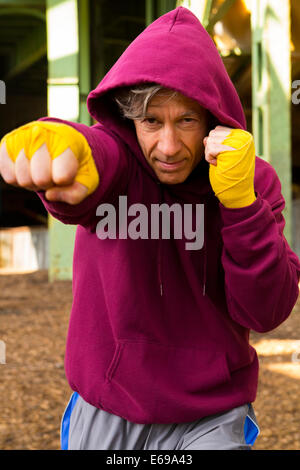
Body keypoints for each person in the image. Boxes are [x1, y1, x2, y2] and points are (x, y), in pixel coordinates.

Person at [0, 6, 299, 451]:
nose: (169, 146)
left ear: (212, 120)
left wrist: (240, 205)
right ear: (129, 120)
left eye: (187, 121)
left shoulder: (250, 181)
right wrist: (74, 146)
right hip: (107, 406)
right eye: (151, 121)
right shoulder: (119, 165)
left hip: (212, 415)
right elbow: (101, 156)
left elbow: (267, 311)